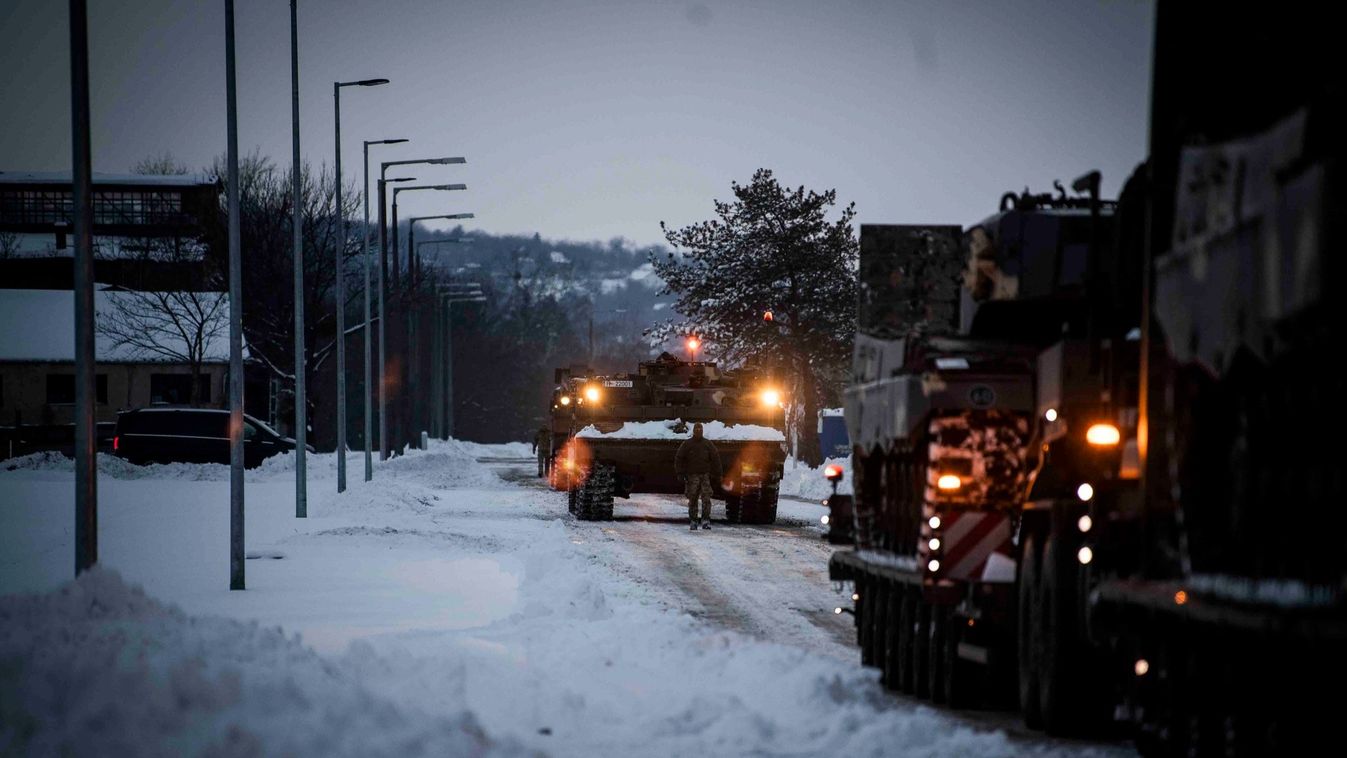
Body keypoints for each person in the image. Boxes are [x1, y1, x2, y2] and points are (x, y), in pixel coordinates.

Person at [675, 422, 721, 530]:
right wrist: (680, 473)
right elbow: (679, 458)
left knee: (706, 498)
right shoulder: (687, 444)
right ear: (693, 431)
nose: (698, 431)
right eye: (697, 430)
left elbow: (715, 458)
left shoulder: (707, 444)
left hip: (705, 476)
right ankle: (693, 520)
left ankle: (705, 520)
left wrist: (718, 474)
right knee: (693, 499)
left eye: (700, 430)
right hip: (692, 476)